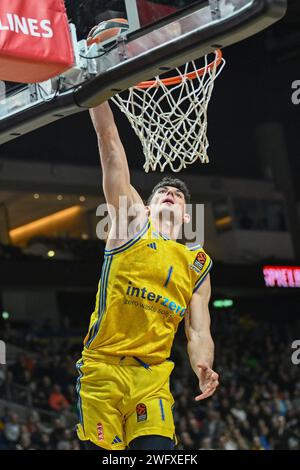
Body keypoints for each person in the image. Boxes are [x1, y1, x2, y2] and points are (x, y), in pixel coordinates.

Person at [75, 102, 219, 451]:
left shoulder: (198, 264)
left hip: (152, 377)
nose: (171, 194)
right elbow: (110, 144)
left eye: (179, 196)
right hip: (103, 370)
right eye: (163, 193)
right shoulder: (131, 223)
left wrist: (204, 366)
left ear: (186, 217)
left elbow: (198, 330)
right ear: (148, 207)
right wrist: (97, 94)